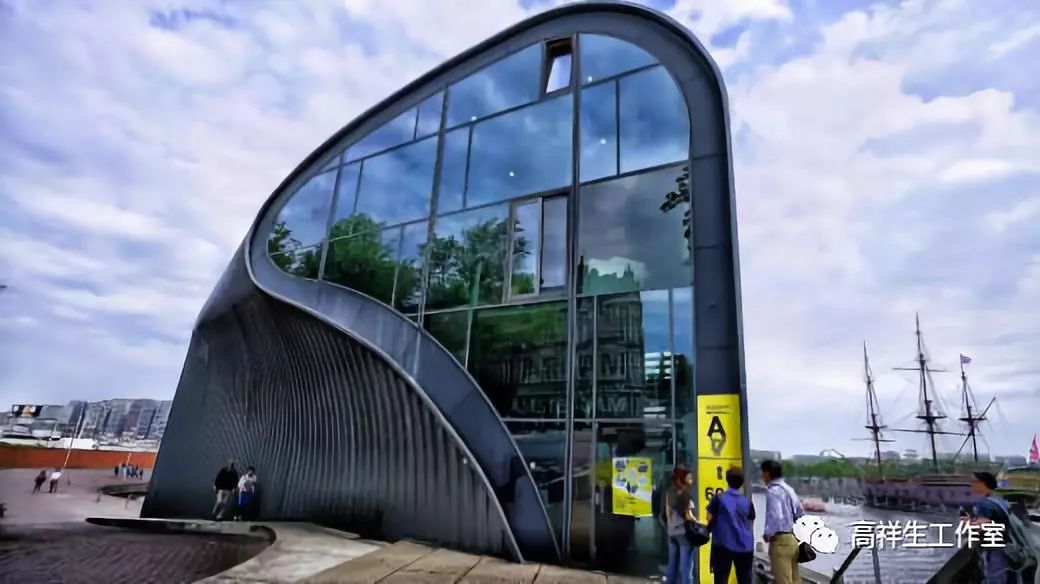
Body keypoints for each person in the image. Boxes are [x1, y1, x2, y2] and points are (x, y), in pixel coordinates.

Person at [967, 471, 1021, 584]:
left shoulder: (984, 503)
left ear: (982, 484)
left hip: (995, 550)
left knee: (995, 579)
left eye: (974, 482)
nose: (971, 485)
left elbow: (982, 528)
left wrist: (967, 525)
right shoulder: (999, 499)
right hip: (1009, 547)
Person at [707, 466, 756, 584]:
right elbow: (751, 520)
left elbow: (709, 517)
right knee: (745, 580)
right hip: (745, 546)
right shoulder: (747, 501)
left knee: (721, 579)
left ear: (727, 480)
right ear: (742, 482)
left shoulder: (719, 498)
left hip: (723, 545)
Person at [762, 460, 803, 584]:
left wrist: (768, 534)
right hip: (793, 539)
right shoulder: (789, 489)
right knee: (795, 580)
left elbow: (776, 516)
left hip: (780, 541)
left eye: (763, 473)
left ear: (767, 473)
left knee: (782, 580)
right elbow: (800, 512)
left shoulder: (773, 491)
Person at [664, 467, 697, 584]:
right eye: (689, 478)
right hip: (684, 534)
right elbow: (689, 516)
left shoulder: (670, 493)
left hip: (672, 533)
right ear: (682, 479)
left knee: (672, 566)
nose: (691, 480)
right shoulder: (685, 494)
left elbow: (667, 513)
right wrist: (699, 522)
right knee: (686, 568)